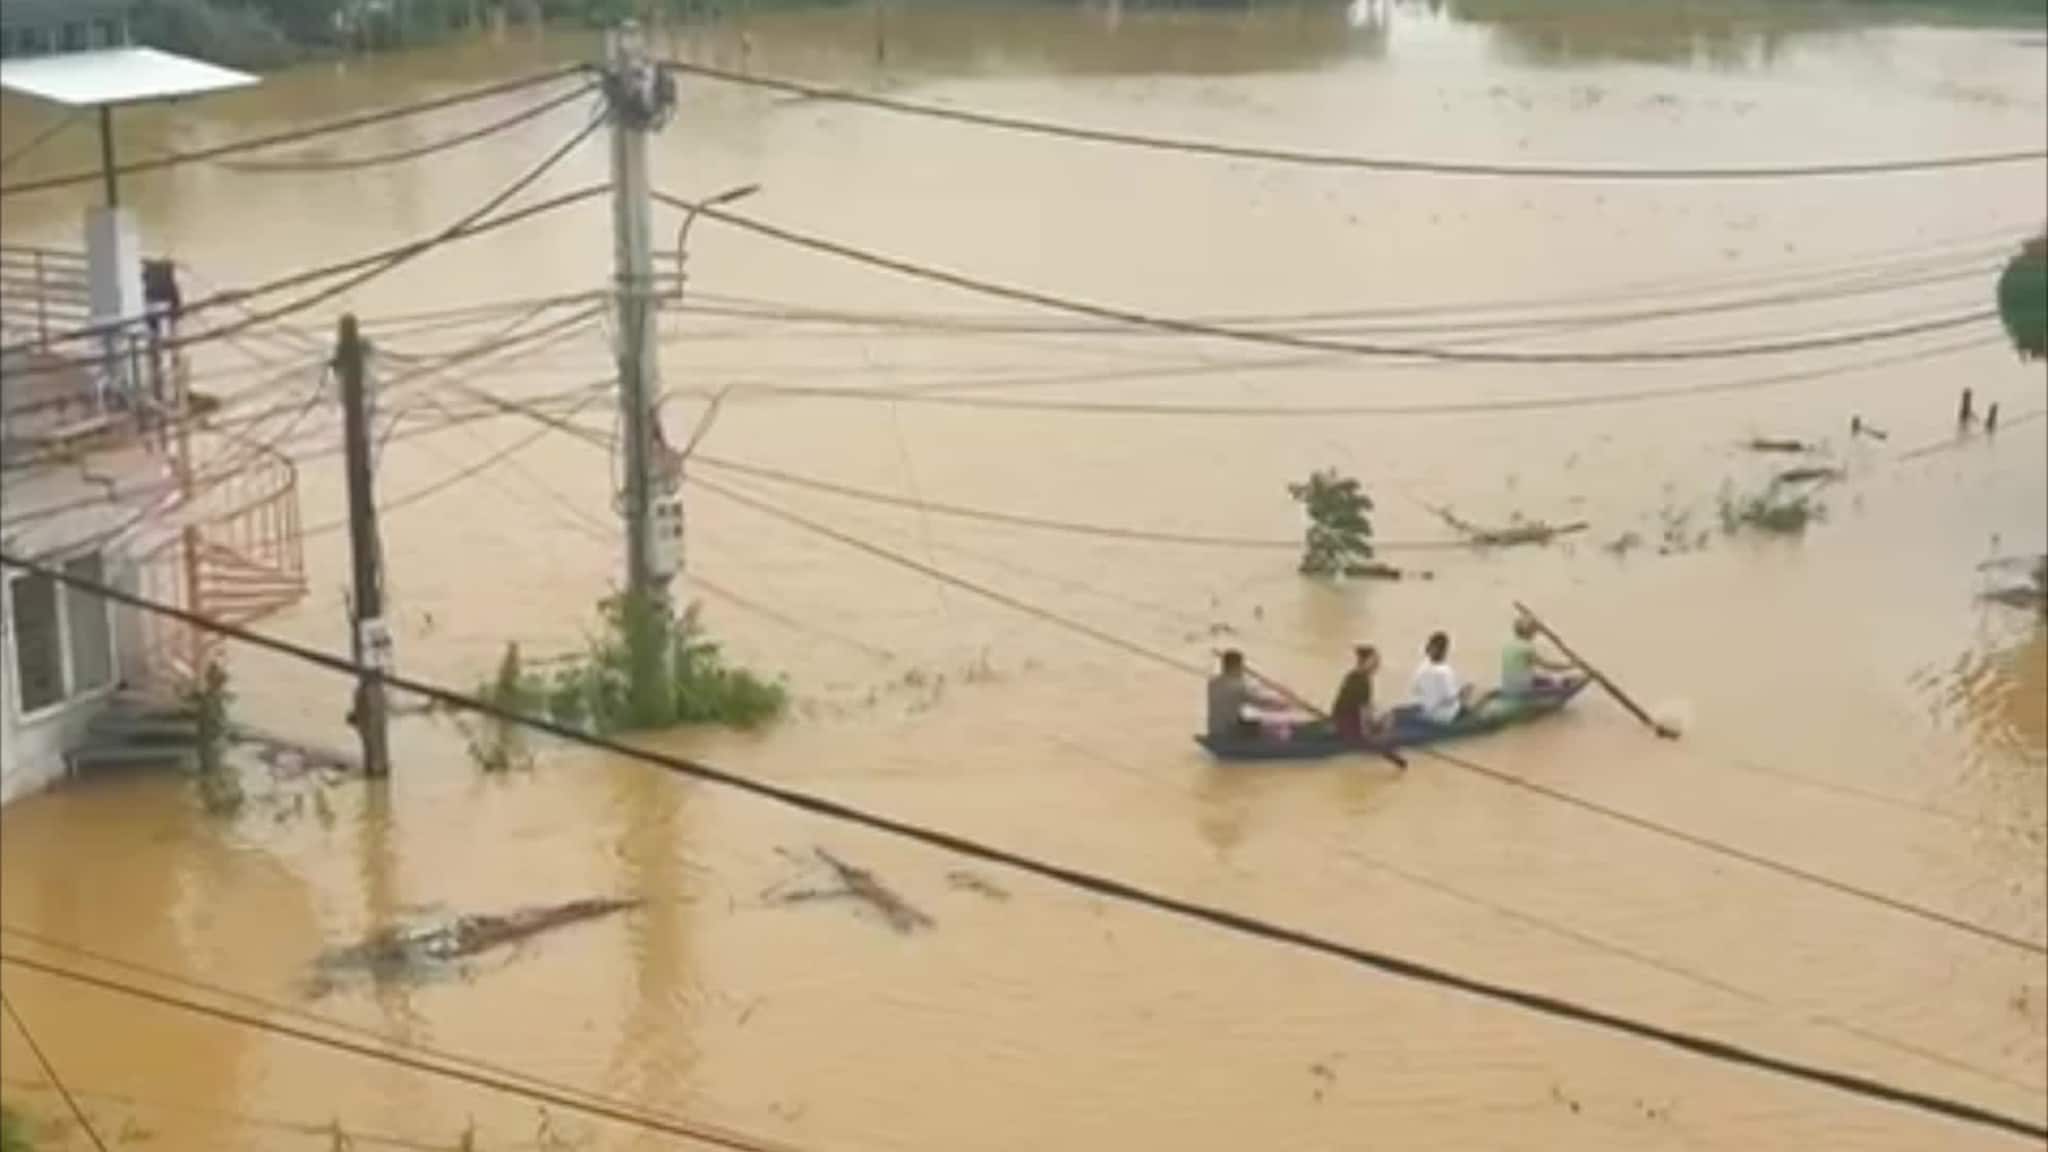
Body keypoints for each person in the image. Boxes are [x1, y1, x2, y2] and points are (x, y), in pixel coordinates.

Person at [1207, 649, 1288, 739]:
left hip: (1215, 728)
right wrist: (1280, 705)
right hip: (1231, 730)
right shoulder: (1237, 685)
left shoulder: (1213, 683)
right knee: (1278, 730)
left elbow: (1242, 694)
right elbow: (1258, 702)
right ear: (1238, 666)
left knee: (1254, 724)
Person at [1500, 616, 1575, 697]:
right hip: (1522, 686)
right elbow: (1547, 666)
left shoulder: (1508, 645)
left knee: (1541, 679)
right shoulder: (1527, 648)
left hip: (1507, 684)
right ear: (1529, 632)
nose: (1535, 633)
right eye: (1533, 630)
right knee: (1555, 683)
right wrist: (1569, 666)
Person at [1410, 631, 1474, 726]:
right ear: (1445, 650)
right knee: (1471, 698)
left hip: (1426, 712)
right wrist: (1464, 692)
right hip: (1445, 716)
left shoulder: (1421, 667)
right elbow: (1450, 697)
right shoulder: (1445, 671)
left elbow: (1415, 689)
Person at [1329, 644, 1383, 743]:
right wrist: (1367, 734)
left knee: (1381, 715)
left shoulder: (1352, 675)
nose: (1378, 664)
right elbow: (1364, 710)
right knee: (1388, 720)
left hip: (1340, 721)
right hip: (1349, 727)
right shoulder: (1362, 681)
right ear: (1366, 662)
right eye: (1374, 660)